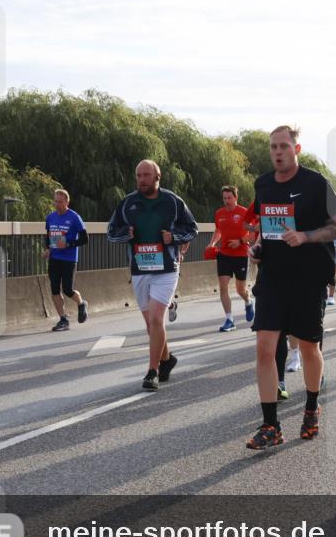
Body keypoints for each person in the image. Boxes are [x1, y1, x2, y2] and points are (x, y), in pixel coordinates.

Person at [246, 125, 336, 450]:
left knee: (308, 347)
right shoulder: (263, 184)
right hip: (272, 277)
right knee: (264, 348)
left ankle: (312, 406)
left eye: (284, 146)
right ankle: (270, 425)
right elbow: (266, 229)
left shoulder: (317, 184)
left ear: (296, 149)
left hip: (308, 277)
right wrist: (258, 247)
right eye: (273, 147)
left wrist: (306, 236)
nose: (278, 152)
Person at [107, 159, 198, 390]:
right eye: (138, 175)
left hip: (166, 269)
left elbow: (192, 229)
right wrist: (126, 233)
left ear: (158, 177)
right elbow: (111, 232)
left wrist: (174, 237)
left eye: (146, 175)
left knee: (157, 319)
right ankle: (167, 359)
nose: (142, 180)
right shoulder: (128, 203)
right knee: (151, 325)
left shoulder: (173, 201)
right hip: (140, 269)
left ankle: (152, 371)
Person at [208, 185, 257, 332]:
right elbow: (218, 230)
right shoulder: (219, 213)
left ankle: (248, 301)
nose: (227, 201)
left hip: (241, 254)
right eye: (224, 198)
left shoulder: (244, 213)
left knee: (240, 289)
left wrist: (240, 241)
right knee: (223, 286)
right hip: (224, 254)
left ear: (236, 197)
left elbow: (253, 233)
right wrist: (212, 243)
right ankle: (229, 319)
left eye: (229, 198)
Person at [43, 189, 89, 331]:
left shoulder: (74, 217)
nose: (57, 204)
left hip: (69, 258)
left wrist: (68, 244)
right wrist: (47, 249)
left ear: (67, 202)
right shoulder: (50, 217)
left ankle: (81, 303)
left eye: (60, 202)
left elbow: (85, 239)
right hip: (54, 258)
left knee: (68, 289)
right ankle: (63, 319)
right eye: (55, 201)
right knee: (55, 289)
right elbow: (48, 236)